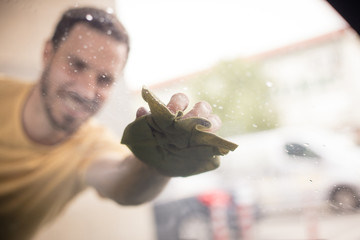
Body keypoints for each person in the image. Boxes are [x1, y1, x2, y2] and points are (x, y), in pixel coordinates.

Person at [0, 7, 229, 240]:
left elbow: (125, 184)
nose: (87, 91)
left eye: (104, 79)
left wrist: (157, 165)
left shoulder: (92, 146)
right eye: (76, 65)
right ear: (48, 52)